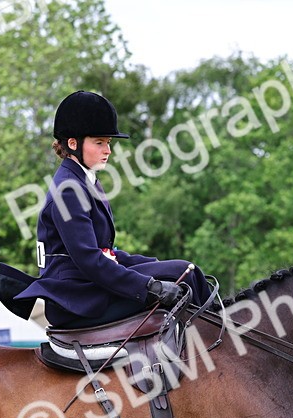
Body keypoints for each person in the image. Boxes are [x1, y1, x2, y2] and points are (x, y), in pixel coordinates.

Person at [11, 90, 211, 328]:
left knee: (186, 270)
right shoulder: (68, 191)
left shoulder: (86, 179)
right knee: (179, 276)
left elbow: (106, 251)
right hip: (75, 296)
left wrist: (152, 263)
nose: (108, 150)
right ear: (73, 143)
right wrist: (150, 286)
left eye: (108, 143)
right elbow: (90, 260)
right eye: (99, 143)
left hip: (89, 281)